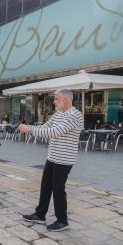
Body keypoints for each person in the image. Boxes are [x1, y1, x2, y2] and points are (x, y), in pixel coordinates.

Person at [20, 89, 83, 232]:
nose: (54, 102)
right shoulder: (59, 114)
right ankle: (40, 214)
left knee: (58, 190)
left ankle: (62, 220)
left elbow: (55, 132)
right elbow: (45, 127)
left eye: (56, 99)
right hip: (52, 157)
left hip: (64, 159)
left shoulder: (75, 115)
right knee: (45, 186)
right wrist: (31, 128)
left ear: (66, 100)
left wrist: (29, 129)